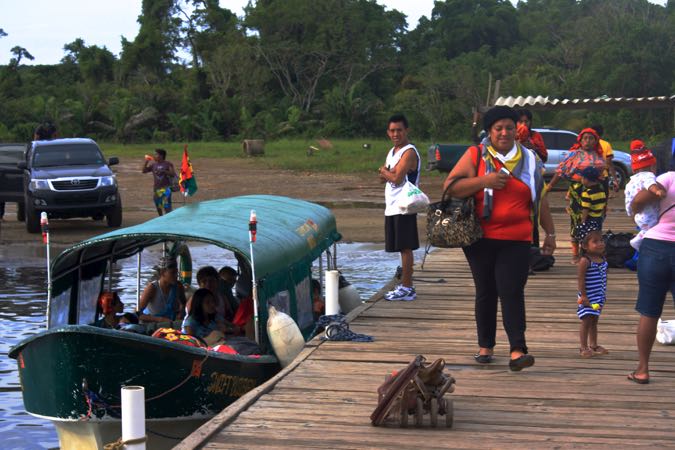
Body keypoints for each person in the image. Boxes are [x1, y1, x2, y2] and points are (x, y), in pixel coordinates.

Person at [443, 105, 556, 371]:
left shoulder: (530, 159)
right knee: (486, 291)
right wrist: (484, 181)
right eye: (498, 128)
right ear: (489, 132)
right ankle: (486, 346)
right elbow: (450, 187)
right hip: (479, 237)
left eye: (509, 127)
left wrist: (550, 233)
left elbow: (540, 200)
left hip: (517, 238)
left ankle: (518, 350)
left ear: (517, 130)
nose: (504, 132)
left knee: (511, 290)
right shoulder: (476, 155)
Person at [627, 170, 675, 385]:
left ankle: (643, 369)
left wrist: (639, 213)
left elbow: (638, 201)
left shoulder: (669, 178)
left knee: (649, 311)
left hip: (655, 247)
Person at [547, 128, 607, 264]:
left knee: (596, 220)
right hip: (578, 190)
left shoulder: (598, 155)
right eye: (585, 138)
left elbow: (604, 174)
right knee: (578, 221)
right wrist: (550, 186)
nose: (587, 141)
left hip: (597, 191)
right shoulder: (574, 155)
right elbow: (560, 171)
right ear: (580, 140)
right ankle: (575, 254)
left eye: (591, 138)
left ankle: (591, 252)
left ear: (596, 140)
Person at [378, 114, 421, 301]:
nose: (396, 134)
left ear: (406, 131)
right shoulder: (393, 151)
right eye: (392, 131)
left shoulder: (409, 152)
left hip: (405, 206)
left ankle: (407, 287)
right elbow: (385, 177)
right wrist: (387, 172)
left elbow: (395, 178)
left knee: (405, 248)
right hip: (393, 206)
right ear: (388, 132)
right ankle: (404, 285)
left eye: (399, 130)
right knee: (400, 247)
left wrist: (386, 171)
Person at [624, 140, 667, 250]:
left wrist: (630, 213)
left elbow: (628, 199)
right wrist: (658, 191)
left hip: (638, 215)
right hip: (650, 214)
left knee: (645, 229)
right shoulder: (648, 175)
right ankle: (637, 241)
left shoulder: (630, 183)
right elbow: (650, 185)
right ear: (652, 166)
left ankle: (639, 240)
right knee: (652, 230)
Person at [575, 221, 609, 358]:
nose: (600, 243)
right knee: (586, 320)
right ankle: (583, 347)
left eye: (601, 240)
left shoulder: (602, 259)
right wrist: (583, 296)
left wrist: (603, 294)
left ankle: (594, 345)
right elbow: (581, 279)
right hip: (587, 296)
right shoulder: (585, 260)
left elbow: (604, 276)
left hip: (598, 296)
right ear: (584, 246)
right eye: (595, 241)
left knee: (594, 320)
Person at [186, 266, 240, 334]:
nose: (208, 284)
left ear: (217, 282)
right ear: (199, 284)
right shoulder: (194, 301)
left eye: (211, 281)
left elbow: (229, 317)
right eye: (204, 281)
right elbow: (190, 328)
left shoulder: (222, 298)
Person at [138, 256, 186, 323]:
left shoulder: (178, 286)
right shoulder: (152, 288)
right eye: (172, 273)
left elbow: (184, 304)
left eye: (176, 272)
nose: (176, 275)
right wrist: (160, 319)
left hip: (171, 324)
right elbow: (137, 314)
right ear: (162, 273)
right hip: (152, 325)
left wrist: (181, 312)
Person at [142, 148, 177, 216]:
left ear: (161, 156)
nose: (154, 156)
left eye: (156, 154)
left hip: (166, 188)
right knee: (158, 205)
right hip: (157, 188)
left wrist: (164, 171)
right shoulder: (153, 165)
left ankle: (168, 219)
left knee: (166, 206)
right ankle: (161, 218)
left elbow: (172, 174)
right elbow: (144, 171)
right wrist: (146, 162)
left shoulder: (168, 164)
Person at [591, 125, 620, 193]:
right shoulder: (606, 144)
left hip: (588, 177)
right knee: (602, 200)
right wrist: (615, 180)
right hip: (602, 176)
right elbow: (609, 163)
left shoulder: (586, 144)